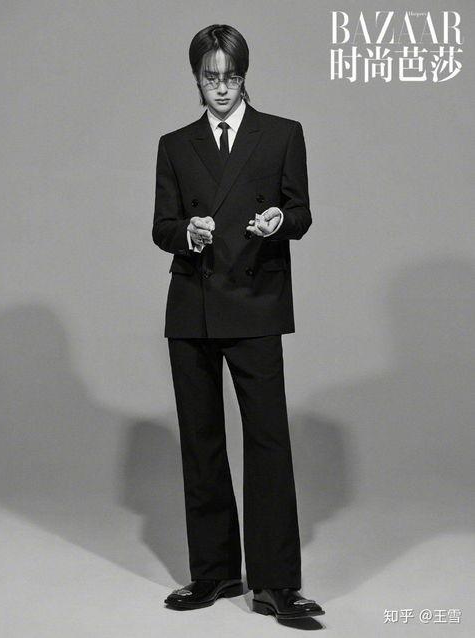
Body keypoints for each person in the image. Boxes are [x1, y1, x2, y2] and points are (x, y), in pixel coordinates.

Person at [152, 24, 324, 622]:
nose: (221, 88)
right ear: (196, 79)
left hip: (256, 302)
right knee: (200, 442)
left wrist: (280, 220)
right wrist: (188, 232)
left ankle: (276, 584)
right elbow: (162, 227)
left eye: (230, 76)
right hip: (193, 306)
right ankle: (215, 572)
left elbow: (301, 212)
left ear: (244, 76)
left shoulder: (281, 134)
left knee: (268, 442)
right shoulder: (175, 145)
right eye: (210, 78)